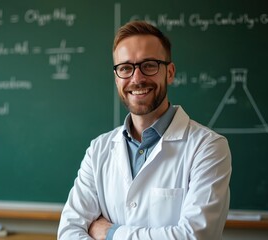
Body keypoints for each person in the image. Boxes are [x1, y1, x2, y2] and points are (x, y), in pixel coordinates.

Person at [57, 20, 232, 240]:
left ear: (169, 72)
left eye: (149, 65)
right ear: (116, 76)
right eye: (125, 68)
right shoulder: (98, 150)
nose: (137, 78)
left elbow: (193, 236)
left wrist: (110, 233)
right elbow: (68, 232)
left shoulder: (208, 147)